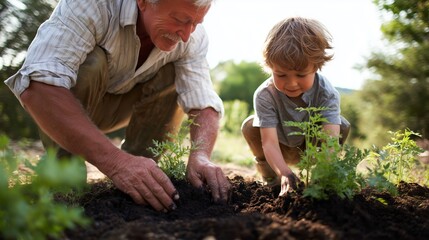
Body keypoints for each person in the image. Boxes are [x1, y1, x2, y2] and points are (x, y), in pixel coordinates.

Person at [4, 0, 231, 212]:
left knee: (174, 72)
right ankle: (66, 172)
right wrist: (116, 163)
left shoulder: (192, 37)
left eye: (195, 23)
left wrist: (201, 155)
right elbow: (38, 86)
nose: (186, 34)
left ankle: (142, 175)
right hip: (71, 108)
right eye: (180, 20)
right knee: (91, 62)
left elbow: (203, 101)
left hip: (125, 107)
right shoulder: (93, 6)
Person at [241, 17, 350, 197]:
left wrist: (318, 179)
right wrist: (285, 173)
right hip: (278, 147)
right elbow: (268, 143)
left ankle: (320, 181)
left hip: (310, 148)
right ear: (270, 67)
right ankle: (272, 181)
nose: (291, 83)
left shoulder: (326, 93)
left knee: (342, 125)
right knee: (250, 126)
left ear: (316, 67)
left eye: (300, 74)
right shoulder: (265, 94)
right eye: (281, 74)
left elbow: (330, 143)